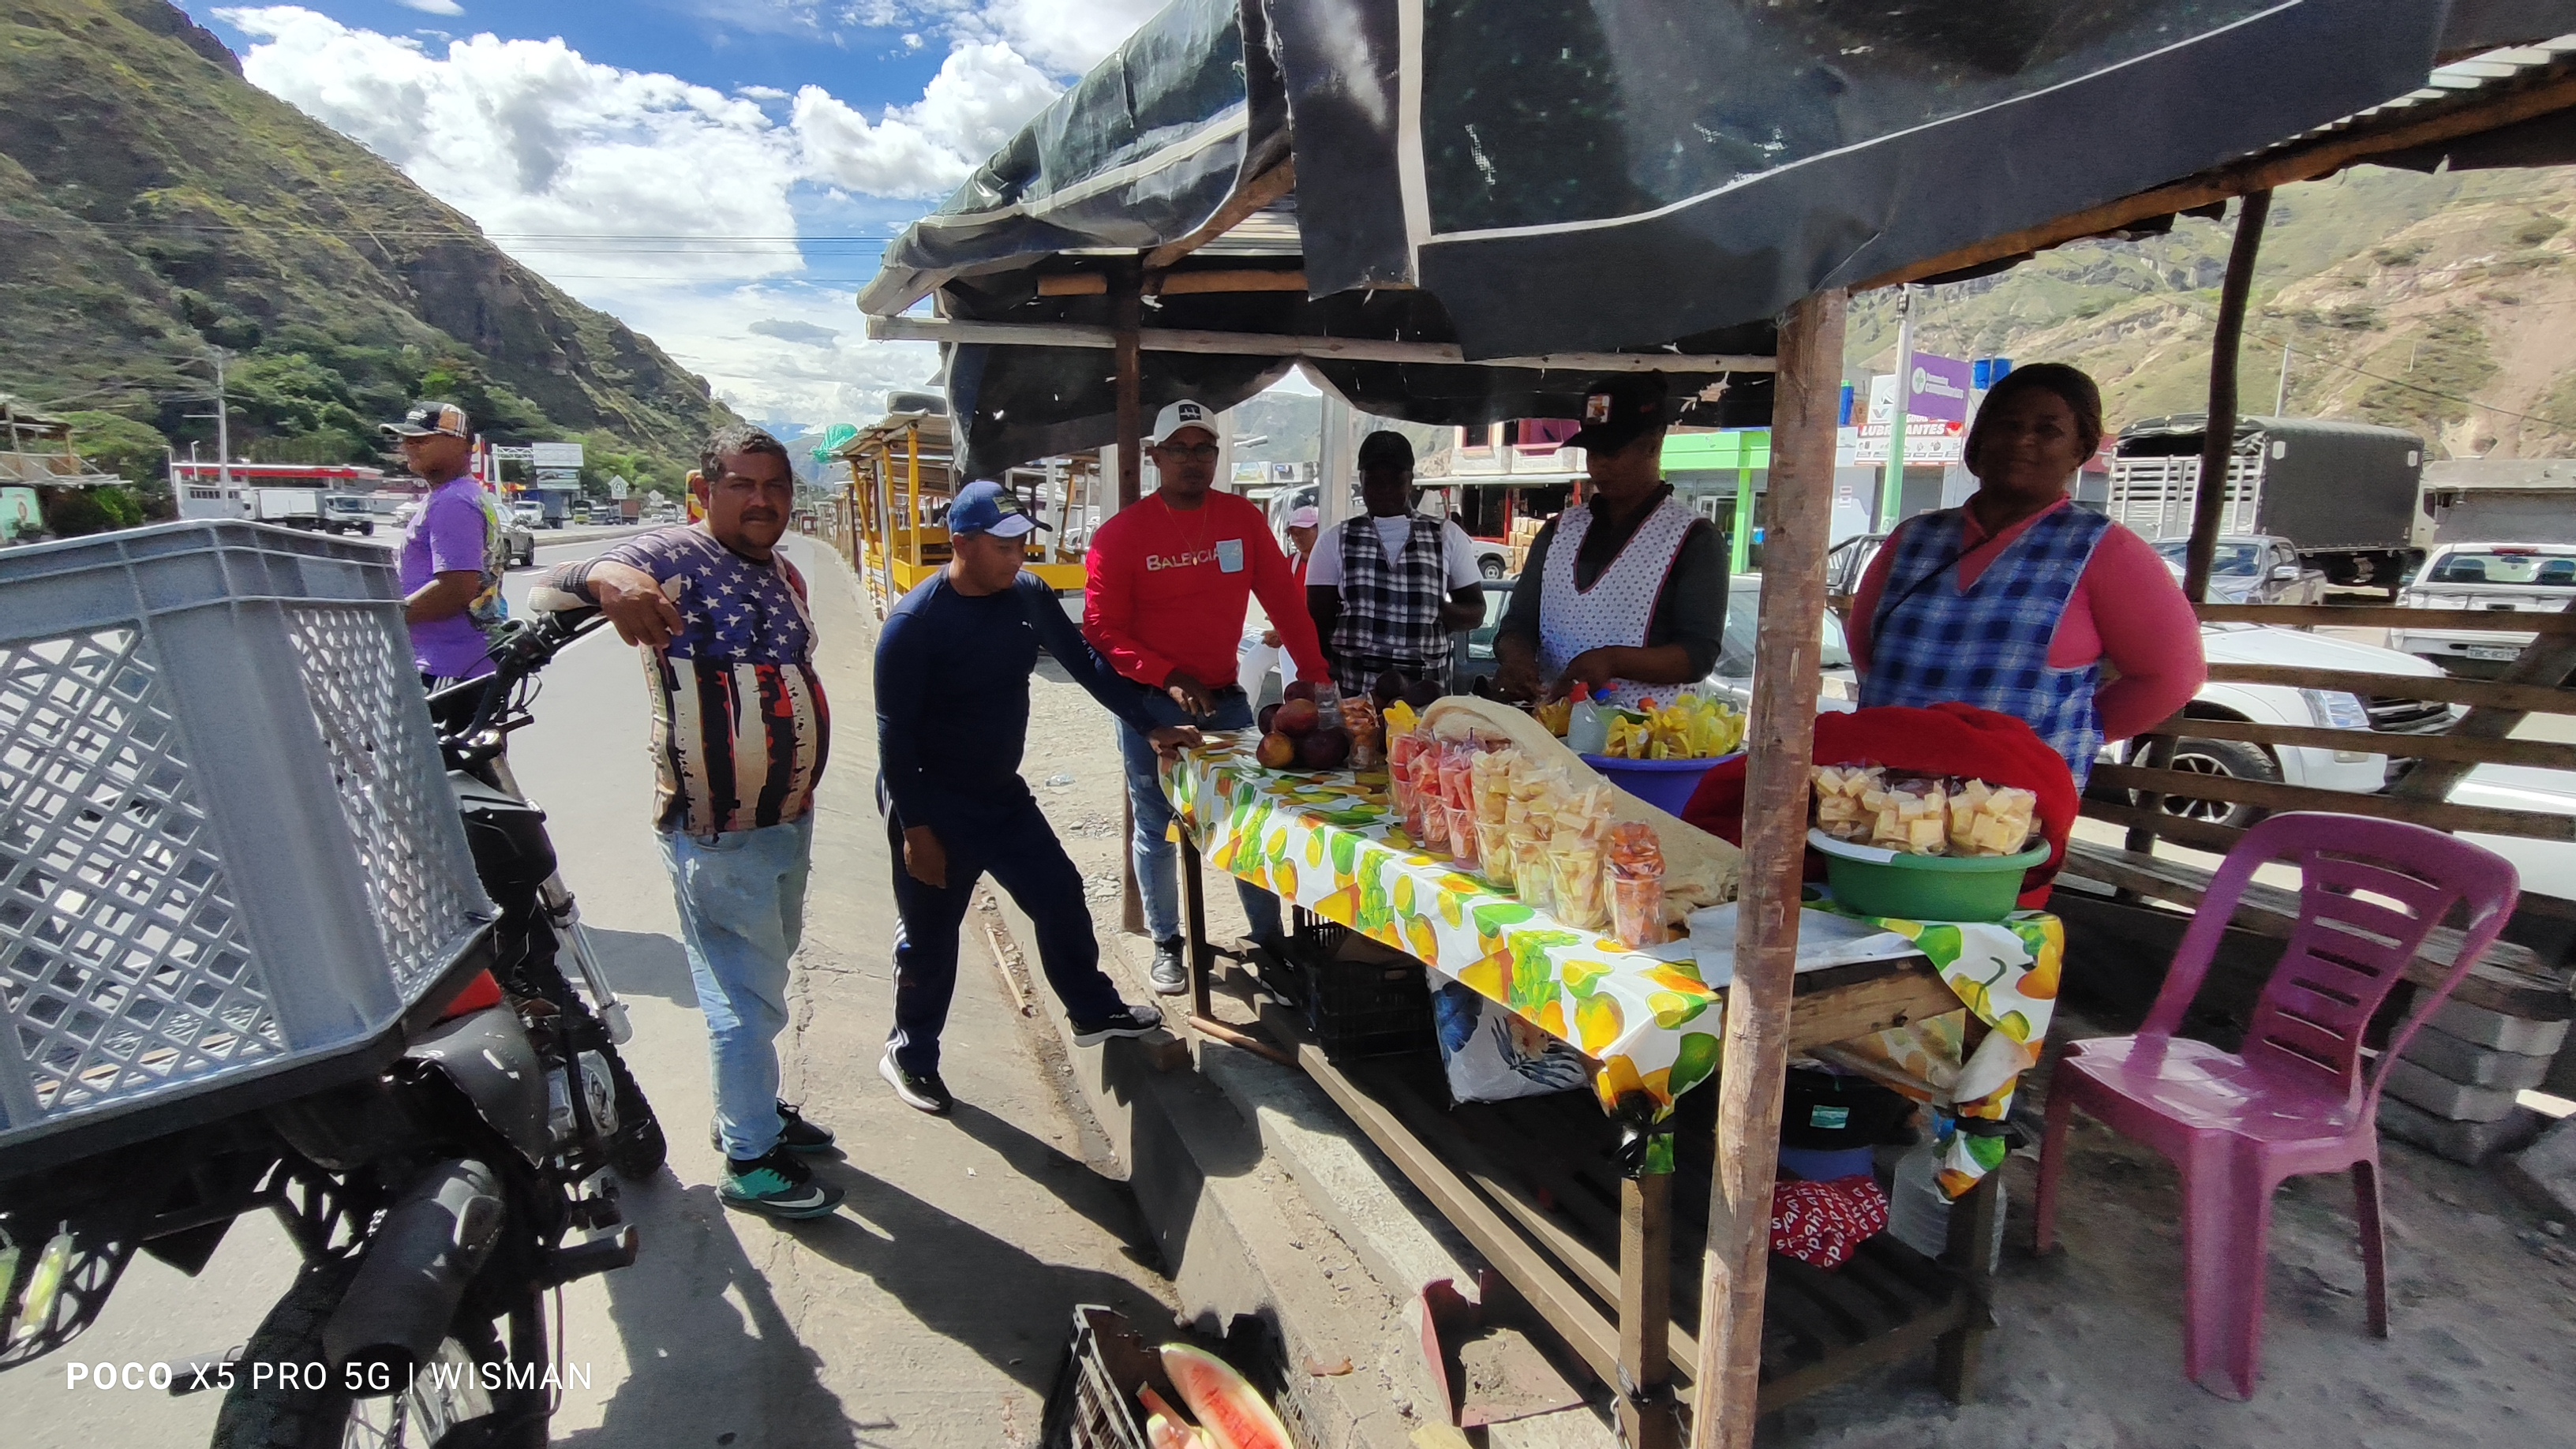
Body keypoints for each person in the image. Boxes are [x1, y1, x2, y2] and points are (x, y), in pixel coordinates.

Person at [541, 425, 842, 1221]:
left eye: (775, 486)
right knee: (742, 999)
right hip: (718, 830)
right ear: (705, 492)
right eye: (742, 484)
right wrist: (611, 577)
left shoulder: (781, 572)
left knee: (764, 984)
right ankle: (750, 1158)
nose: (762, 500)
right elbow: (553, 585)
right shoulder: (675, 556)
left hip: (785, 820)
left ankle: (752, 1109)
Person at [875, 481, 1199, 1114]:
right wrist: (916, 831)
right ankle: (910, 1054)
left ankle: (1092, 1009)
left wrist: (1147, 723)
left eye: (1022, 542)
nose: (1017, 556)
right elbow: (895, 735)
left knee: (1059, 894)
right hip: (932, 802)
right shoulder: (914, 625)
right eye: (1003, 546)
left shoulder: (1027, 595)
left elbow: (1085, 661)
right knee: (930, 940)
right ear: (961, 544)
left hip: (1001, 795)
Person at [1847, 362, 2204, 784]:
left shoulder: (2106, 550)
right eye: (2008, 425)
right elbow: (1866, 651)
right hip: (1882, 795)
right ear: (1980, 439)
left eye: (2048, 430)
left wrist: (2070, 736)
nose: (2022, 440)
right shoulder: (1913, 539)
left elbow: (2171, 677)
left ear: (2080, 450)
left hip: (2013, 807)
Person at [1084, 399, 1330, 994]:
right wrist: (1167, 673)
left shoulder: (1241, 519)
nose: (1193, 460)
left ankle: (1268, 940)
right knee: (1157, 824)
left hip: (1227, 700)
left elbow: (1286, 604)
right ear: (1156, 456)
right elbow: (1100, 628)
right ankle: (1168, 944)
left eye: (1204, 449)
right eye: (1180, 449)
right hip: (1151, 706)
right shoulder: (1121, 536)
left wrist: (1316, 677)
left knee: (1254, 820)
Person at [1492, 376, 1729, 705]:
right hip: (1551, 728)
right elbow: (1518, 623)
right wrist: (1517, 660)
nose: (1598, 466)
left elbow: (1698, 654)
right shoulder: (1557, 531)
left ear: (1653, 444)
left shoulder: (1694, 539)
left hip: (1646, 732)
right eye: (1592, 452)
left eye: (1612, 452)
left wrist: (1612, 661)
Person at [1307, 431, 1485, 696]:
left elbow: (1476, 611)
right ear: (1361, 481)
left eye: (1395, 480)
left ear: (1410, 482)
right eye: (1374, 481)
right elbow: (1316, 621)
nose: (1385, 490)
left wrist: (1434, 609)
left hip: (1424, 699)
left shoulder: (1447, 535)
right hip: (1355, 699)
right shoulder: (1335, 540)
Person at [384, 401, 508, 727]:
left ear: (463, 446)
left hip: (451, 667)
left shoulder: (453, 502)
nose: (408, 446)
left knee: (439, 759)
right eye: (405, 439)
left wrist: (386, 618)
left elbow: (455, 590)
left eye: (421, 439)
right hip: (466, 663)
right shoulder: (461, 495)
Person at [1237, 504, 1321, 701]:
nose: (1298, 537)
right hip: (1288, 634)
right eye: (1294, 533)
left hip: (1313, 638)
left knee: (1288, 656)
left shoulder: (1325, 563)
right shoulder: (1291, 562)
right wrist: (1279, 631)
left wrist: (1285, 634)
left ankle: (1294, 712)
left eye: (1304, 531)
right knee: (1251, 662)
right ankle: (1241, 712)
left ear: (1318, 529)